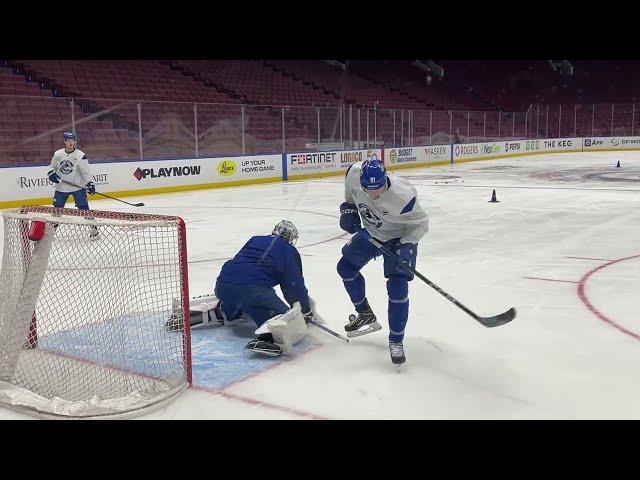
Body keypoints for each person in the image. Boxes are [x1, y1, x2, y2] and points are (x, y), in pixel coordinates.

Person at [337, 158, 429, 365]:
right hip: (371, 233)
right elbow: (350, 198)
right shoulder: (353, 173)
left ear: (385, 179)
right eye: (367, 189)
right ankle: (365, 314)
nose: (372, 194)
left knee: (397, 286)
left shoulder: (403, 196)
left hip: (398, 237)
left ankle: (396, 340)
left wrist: (407, 246)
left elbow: (421, 224)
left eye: (377, 189)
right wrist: (348, 210)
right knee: (345, 268)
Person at [213, 220, 316, 357]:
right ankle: (268, 338)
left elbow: (243, 265)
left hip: (222, 286)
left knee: (241, 296)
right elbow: (293, 285)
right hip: (252, 292)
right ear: (290, 237)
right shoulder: (288, 249)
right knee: (285, 321)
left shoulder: (255, 240)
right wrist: (305, 310)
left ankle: (227, 312)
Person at [47, 132, 97, 238]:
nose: (70, 143)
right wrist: (51, 173)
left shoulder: (80, 155)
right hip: (61, 187)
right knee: (57, 210)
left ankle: (94, 230)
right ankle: (51, 233)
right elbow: (52, 167)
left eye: (72, 140)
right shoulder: (58, 154)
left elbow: (85, 172)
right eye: (68, 141)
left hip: (77, 187)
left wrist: (90, 183)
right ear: (64, 141)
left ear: (75, 141)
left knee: (84, 209)